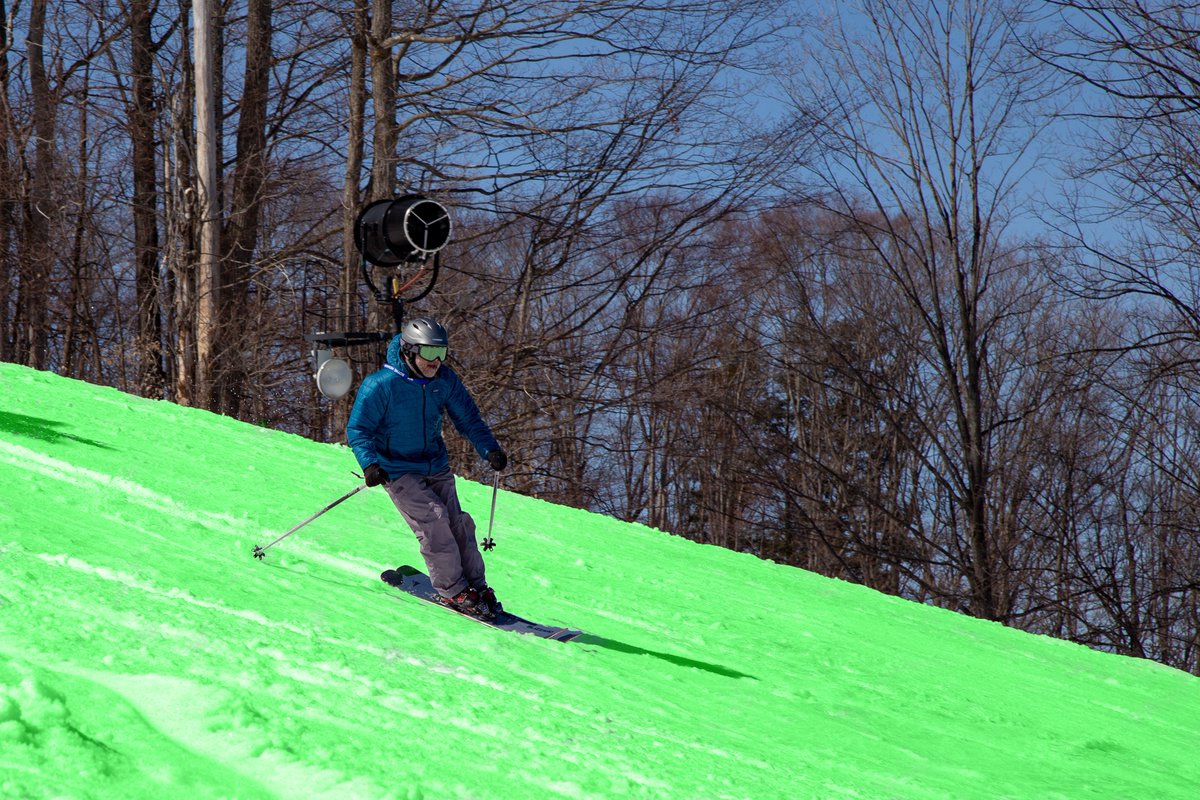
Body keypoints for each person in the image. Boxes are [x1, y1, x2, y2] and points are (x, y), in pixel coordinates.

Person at [347, 316, 508, 618]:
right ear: (409, 351)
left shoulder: (443, 381)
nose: (436, 362)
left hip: (435, 463)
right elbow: (358, 429)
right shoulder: (381, 386)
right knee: (434, 520)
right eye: (429, 354)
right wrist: (370, 465)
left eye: (441, 354)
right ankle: (453, 590)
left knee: (458, 522)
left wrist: (489, 449)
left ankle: (476, 585)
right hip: (397, 469)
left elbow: (469, 419)